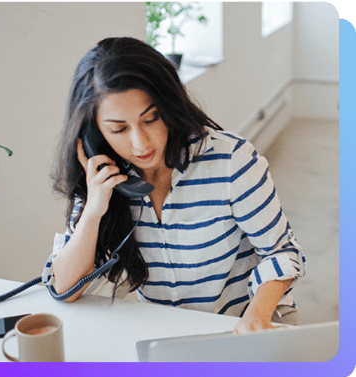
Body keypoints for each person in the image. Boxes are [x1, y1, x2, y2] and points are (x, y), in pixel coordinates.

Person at [43, 37, 306, 333]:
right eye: (118, 129)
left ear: (169, 106)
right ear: (94, 134)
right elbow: (64, 288)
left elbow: (282, 252)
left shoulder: (232, 162)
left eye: (151, 119)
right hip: (167, 335)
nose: (140, 143)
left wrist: (256, 317)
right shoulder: (102, 178)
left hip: (244, 324)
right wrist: (93, 210)